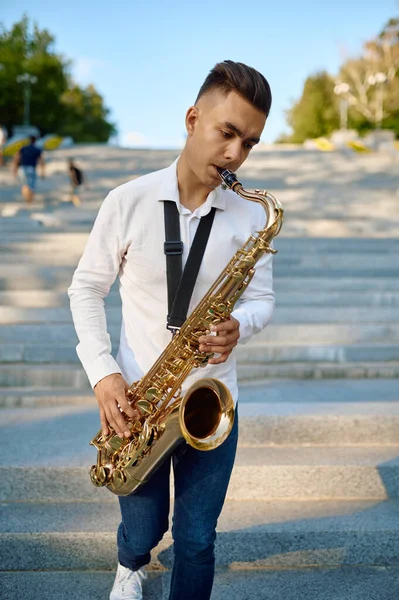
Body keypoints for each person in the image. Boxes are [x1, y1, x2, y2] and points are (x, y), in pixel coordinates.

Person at [68, 60, 275, 600]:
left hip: (212, 399)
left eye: (249, 143)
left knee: (198, 540)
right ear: (192, 118)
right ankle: (130, 563)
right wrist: (104, 375)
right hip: (139, 398)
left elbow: (262, 301)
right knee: (143, 529)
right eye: (226, 133)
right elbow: (85, 289)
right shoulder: (128, 201)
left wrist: (240, 324)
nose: (235, 154)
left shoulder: (252, 217)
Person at [13, 135, 45, 204]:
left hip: (22, 168)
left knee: (24, 185)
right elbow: (41, 161)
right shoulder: (37, 149)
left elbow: (17, 158)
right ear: (35, 141)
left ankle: (27, 199)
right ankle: (30, 201)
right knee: (32, 186)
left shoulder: (23, 148)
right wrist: (43, 172)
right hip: (32, 168)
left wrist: (15, 170)